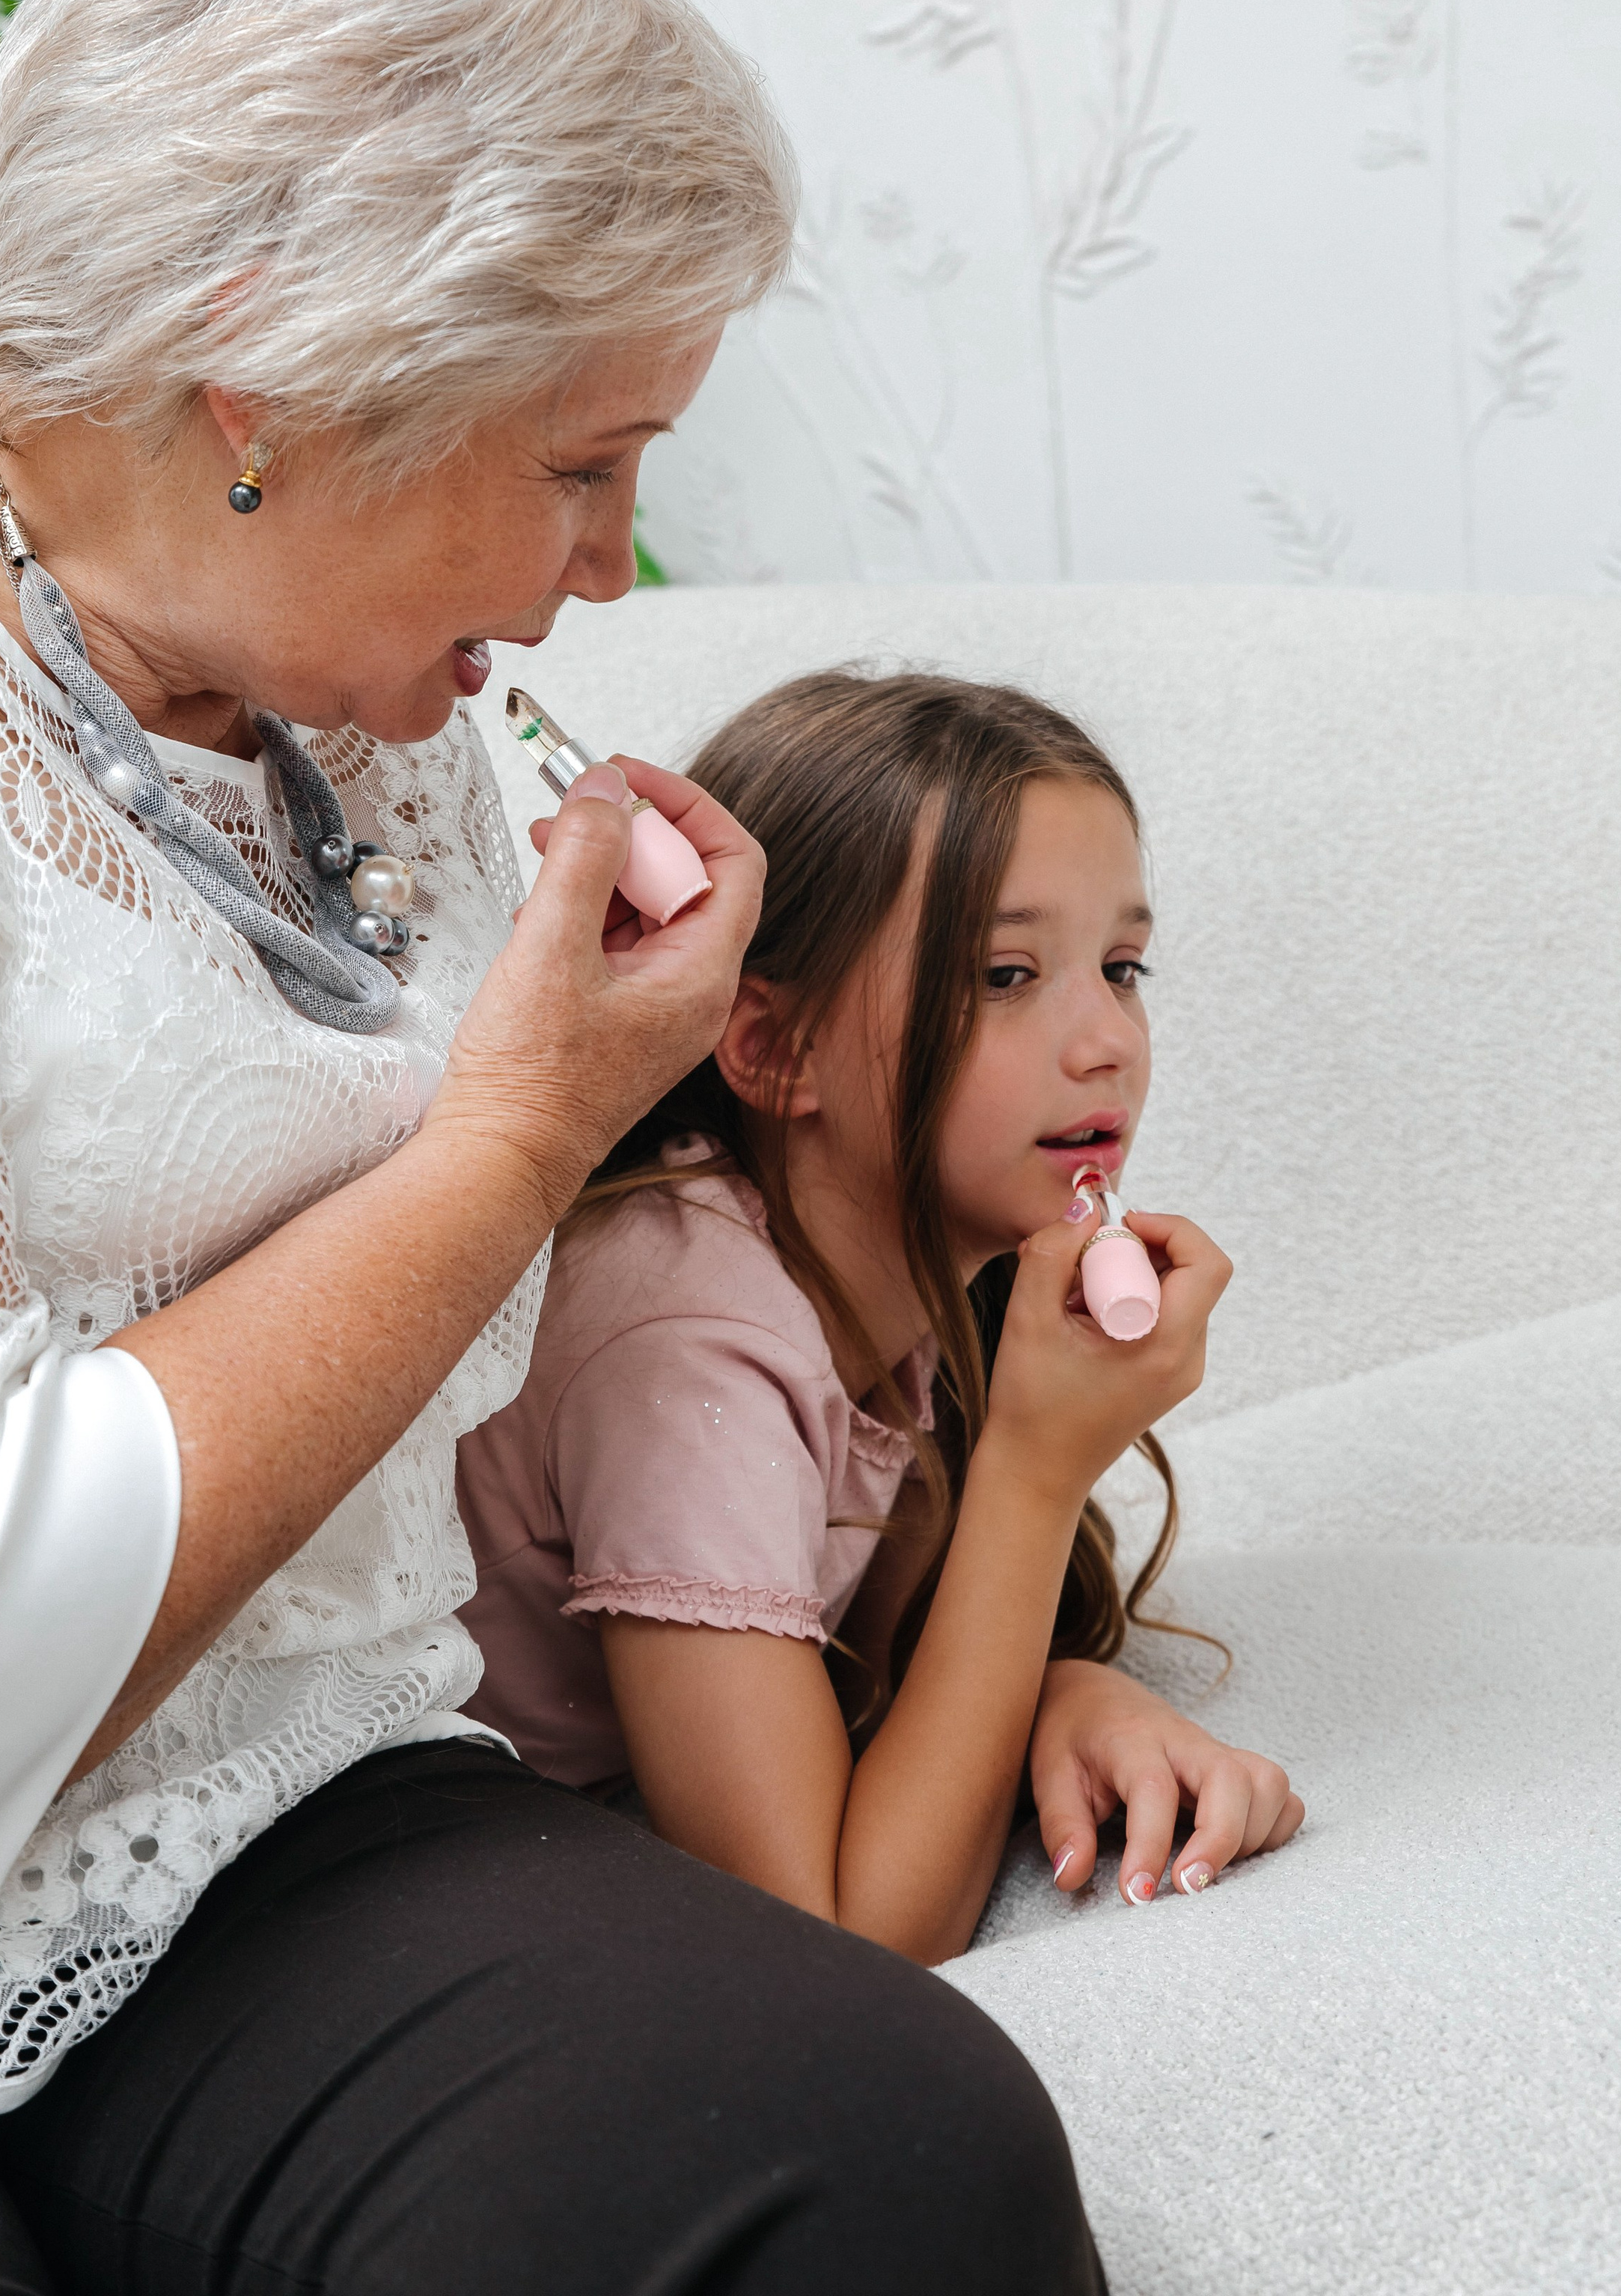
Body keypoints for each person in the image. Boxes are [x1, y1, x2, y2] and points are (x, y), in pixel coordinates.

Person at [0, 0, 1110, 2295]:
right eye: (581, 466)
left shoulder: (358, 705)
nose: (610, 568)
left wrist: (1030, 1665)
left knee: (889, 2150)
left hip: (270, 1816)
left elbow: (692, 1363)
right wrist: (514, 1138)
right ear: (272, 384)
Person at [457, 670, 1306, 1965]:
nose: (1109, 1043)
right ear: (773, 1048)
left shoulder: (900, 1281)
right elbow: (833, 1931)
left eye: (1122, 968)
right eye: (1007, 975)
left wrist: (1066, 1692)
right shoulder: (688, 1343)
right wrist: (1036, 1469)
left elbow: (875, 1670)